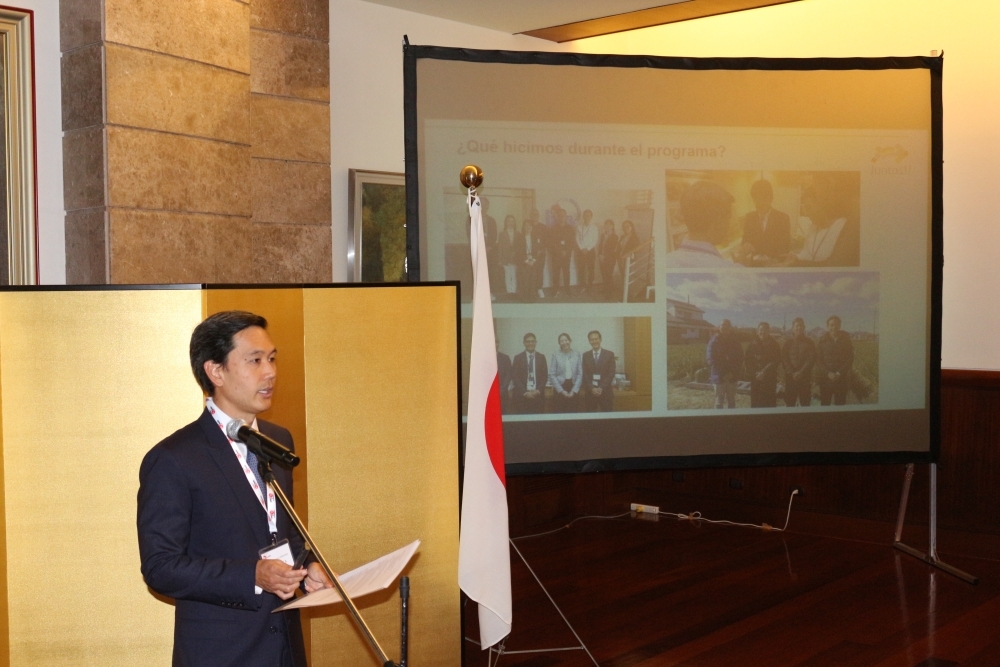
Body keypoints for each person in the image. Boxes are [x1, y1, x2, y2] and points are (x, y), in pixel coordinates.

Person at [137, 311, 332, 667]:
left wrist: (308, 569)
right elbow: (161, 566)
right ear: (216, 371)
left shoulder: (277, 440)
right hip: (221, 654)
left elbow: (282, 533)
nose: (270, 372)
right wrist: (251, 576)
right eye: (255, 361)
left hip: (285, 648)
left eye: (272, 359)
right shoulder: (174, 458)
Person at [792, 174, 860, 267]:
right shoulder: (813, 227)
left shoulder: (843, 226)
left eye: (809, 208)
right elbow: (807, 253)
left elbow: (835, 263)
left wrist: (796, 263)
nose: (806, 213)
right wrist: (795, 257)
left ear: (821, 204)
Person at [666, 181, 735, 268]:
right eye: (728, 219)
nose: (729, 225)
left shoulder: (665, 262)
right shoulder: (731, 270)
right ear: (718, 222)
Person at [736, 179, 791, 265]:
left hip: (774, 265)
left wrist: (773, 261)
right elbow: (745, 241)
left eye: (762, 199)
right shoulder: (749, 217)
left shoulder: (782, 218)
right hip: (753, 265)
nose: (758, 203)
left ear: (771, 198)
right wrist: (745, 247)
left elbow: (785, 247)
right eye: (755, 200)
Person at [816, 315, 854, 405]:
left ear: (840, 326)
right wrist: (828, 373)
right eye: (831, 325)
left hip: (841, 379)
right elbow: (818, 359)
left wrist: (839, 373)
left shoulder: (846, 341)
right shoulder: (822, 341)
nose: (834, 327)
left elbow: (850, 358)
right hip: (826, 379)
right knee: (825, 404)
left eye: (836, 324)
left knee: (840, 404)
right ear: (828, 326)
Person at [706, 319, 743, 409]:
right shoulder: (714, 340)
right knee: (719, 402)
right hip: (719, 378)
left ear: (730, 328)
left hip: (732, 377)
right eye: (723, 325)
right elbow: (710, 359)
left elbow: (740, 358)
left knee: (731, 401)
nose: (725, 327)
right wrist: (722, 374)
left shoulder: (735, 341)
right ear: (719, 327)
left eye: (727, 325)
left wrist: (731, 373)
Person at [744, 322, 782, 407]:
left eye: (765, 330)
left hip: (769, 378)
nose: (763, 332)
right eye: (761, 330)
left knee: (769, 404)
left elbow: (776, 360)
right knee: (756, 403)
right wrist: (755, 373)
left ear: (769, 331)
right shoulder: (752, 344)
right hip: (756, 378)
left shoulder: (774, 344)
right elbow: (747, 359)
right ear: (758, 331)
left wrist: (764, 372)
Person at [782, 317, 815, 407]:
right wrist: (792, 373)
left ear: (804, 327)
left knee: (805, 403)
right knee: (790, 403)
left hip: (805, 378)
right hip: (790, 378)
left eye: (801, 326)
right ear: (793, 328)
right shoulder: (787, 343)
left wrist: (801, 372)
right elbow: (784, 359)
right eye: (796, 326)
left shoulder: (810, 343)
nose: (799, 328)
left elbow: (811, 359)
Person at [511, 333, 547, 414]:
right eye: (528, 341)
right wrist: (525, 392)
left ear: (536, 342)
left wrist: (538, 391)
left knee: (537, 420)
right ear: (524, 343)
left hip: (538, 397)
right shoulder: (518, 358)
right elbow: (515, 377)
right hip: (521, 397)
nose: (530, 343)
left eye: (532, 341)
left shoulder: (541, 357)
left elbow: (544, 376)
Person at [582, 330, 616, 412]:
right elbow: (584, 374)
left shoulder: (609, 354)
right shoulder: (585, 355)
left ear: (600, 339)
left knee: (607, 417)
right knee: (590, 417)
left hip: (605, 392)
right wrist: (592, 388)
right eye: (592, 340)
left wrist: (601, 388)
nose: (594, 341)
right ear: (589, 341)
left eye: (596, 339)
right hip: (590, 393)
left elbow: (611, 373)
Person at [548, 333, 582, 412]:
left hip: (573, 386)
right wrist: (561, 391)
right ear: (559, 343)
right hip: (560, 387)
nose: (564, 342)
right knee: (559, 412)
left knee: (573, 412)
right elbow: (552, 374)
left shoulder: (577, 354)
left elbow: (580, 374)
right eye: (561, 341)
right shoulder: (555, 354)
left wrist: (574, 390)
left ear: (570, 341)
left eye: (566, 340)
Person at [549, 206, 575, 297]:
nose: (561, 217)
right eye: (559, 215)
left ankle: (567, 289)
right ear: (557, 217)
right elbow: (551, 242)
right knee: (555, 273)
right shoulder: (553, 228)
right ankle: (555, 289)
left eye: (563, 215)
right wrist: (559, 251)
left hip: (566, 255)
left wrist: (566, 251)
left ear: (566, 217)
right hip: (556, 255)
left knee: (566, 272)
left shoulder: (570, 228)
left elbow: (572, 242)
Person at [498, 214, 525, 298]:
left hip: (515, 258)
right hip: (505, 258)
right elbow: (500, 247)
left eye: (513, 221)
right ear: (506, 223)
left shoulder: (518, 234)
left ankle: (514, 291)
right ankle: (509, 292)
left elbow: (520, 247)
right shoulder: (502, 234)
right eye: (509, 221)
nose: (511, 223)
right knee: (507, 274)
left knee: (514, 274)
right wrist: (500, 259)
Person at [575, 209, 599, 294]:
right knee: (581, 269)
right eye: (585, 215)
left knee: (590, 269)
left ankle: (590, 286)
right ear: (583, 217)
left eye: (588, 216)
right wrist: (582, 248)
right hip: (581, 251)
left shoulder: (594, 227)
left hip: (590, 251)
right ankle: (582, 285)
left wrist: (587, 248)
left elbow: (595, 240)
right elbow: (577, 239)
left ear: (591, 217)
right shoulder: (579, 227)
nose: (586, 217)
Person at [598, 219, 619, 299]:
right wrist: (600, 255)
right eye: (606, 224)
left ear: (612, 226)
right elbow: (600, 246)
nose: (607, 226)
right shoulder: (603, 235)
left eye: (609, 225)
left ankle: (609, 293)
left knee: (608, 275)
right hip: (601, 258)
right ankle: (605, 289)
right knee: (603, 274)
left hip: (610, 259)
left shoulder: (615, 237)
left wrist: (604, 256)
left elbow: (612, 249)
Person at [496, 335, 512, 412]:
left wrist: (501, 390)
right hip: (487, 396)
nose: (495, 344)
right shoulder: (483, 359)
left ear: (499, 343)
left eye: (496, 342)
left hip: (502, 394)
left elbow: (508, 375)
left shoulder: (505, 358)